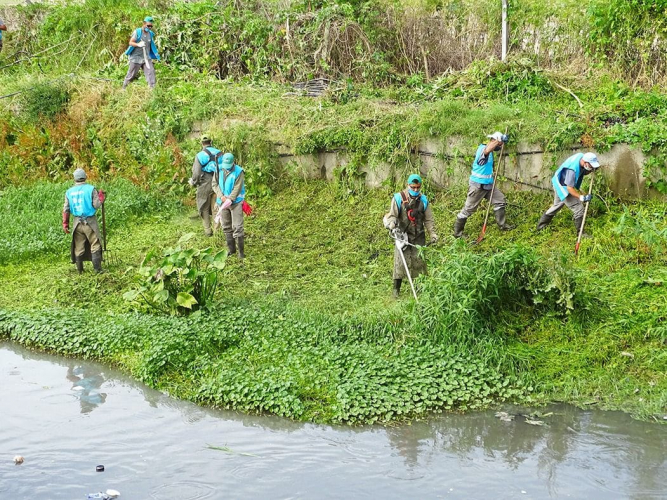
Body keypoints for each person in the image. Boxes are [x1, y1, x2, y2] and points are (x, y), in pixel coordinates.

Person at [383, 174, 438, 298]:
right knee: (400, 262)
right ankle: (396, 290)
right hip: (402, 235)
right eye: (413, 187)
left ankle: (419, 289)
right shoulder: (398, 198)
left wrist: (432, 233)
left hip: (418, 236)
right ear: (408, 185)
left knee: (419, 263)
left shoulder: (424, 200)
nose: (415, 190)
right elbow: (392, 215)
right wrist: (392, 224)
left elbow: (429, 220)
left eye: (418, 187)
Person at [453, 131, 514, 238]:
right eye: (499, 144)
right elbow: (487, 150)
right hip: (477, 187)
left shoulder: (490, 152)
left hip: (489, 185)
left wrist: (502, 142)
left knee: (500, 199)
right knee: (468, 209)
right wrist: (497, 141)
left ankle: (502, 224)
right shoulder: (484, 150)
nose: (500, 146)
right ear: (494, 141)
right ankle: (458, 233)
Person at [536, 152, 600, 234]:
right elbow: (569, 188)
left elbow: (583, 170)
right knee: (578, 208)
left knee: (557, 205)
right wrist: (581, 197)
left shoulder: (581, 156)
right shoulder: (572, 170)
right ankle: (581, 233)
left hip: (557, 181)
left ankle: (541, 226)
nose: (591, 168)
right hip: (563, 187)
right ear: (585, 162)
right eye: (591, 166)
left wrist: (592, 169)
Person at [62, 168, 106, 273]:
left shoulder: (69, 192)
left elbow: (66, 209)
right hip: (90, 222)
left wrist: (65, 224)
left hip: (77, 223)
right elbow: (96, 205)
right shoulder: (91, 189)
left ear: (74, 179)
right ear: (85, 177)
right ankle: (97, 270)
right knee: (95, 244)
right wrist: (101, 198)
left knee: (78, 247)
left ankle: (80, 271)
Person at [213, 153, 246, 260]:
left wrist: (230, 199)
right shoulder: (218, 169)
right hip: (222, 202)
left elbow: (237, 187)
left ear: (233, 162)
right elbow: (214, 184)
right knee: (226, 226)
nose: (226, 168)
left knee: (237, 226)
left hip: (236, 202)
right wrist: (221, 196)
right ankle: (231, 250)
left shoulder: (239, 171)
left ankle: (241, 253)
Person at [188, 135, 221, 236]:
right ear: (211, 142)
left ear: (202, 143)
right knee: (216, 207)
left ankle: (208, 230)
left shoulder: (200, 155)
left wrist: (193, 182)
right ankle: (217, 230)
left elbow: (196, 173)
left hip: (205, 183)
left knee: (203, 207)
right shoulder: (220, 154)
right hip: (218, 182)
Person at [122, 16, 160, 90]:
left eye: (151, 26)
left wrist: (156, 55)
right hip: (136, 57)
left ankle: (152, 90)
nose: (149, 27)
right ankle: (124, 89)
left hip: (146, 57)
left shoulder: (150, 34)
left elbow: (151, 45)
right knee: (131, 75)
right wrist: (138, 44)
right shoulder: (138, 32)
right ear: (144, 24)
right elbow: (131, 42)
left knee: (151, 73)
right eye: (148, 25)